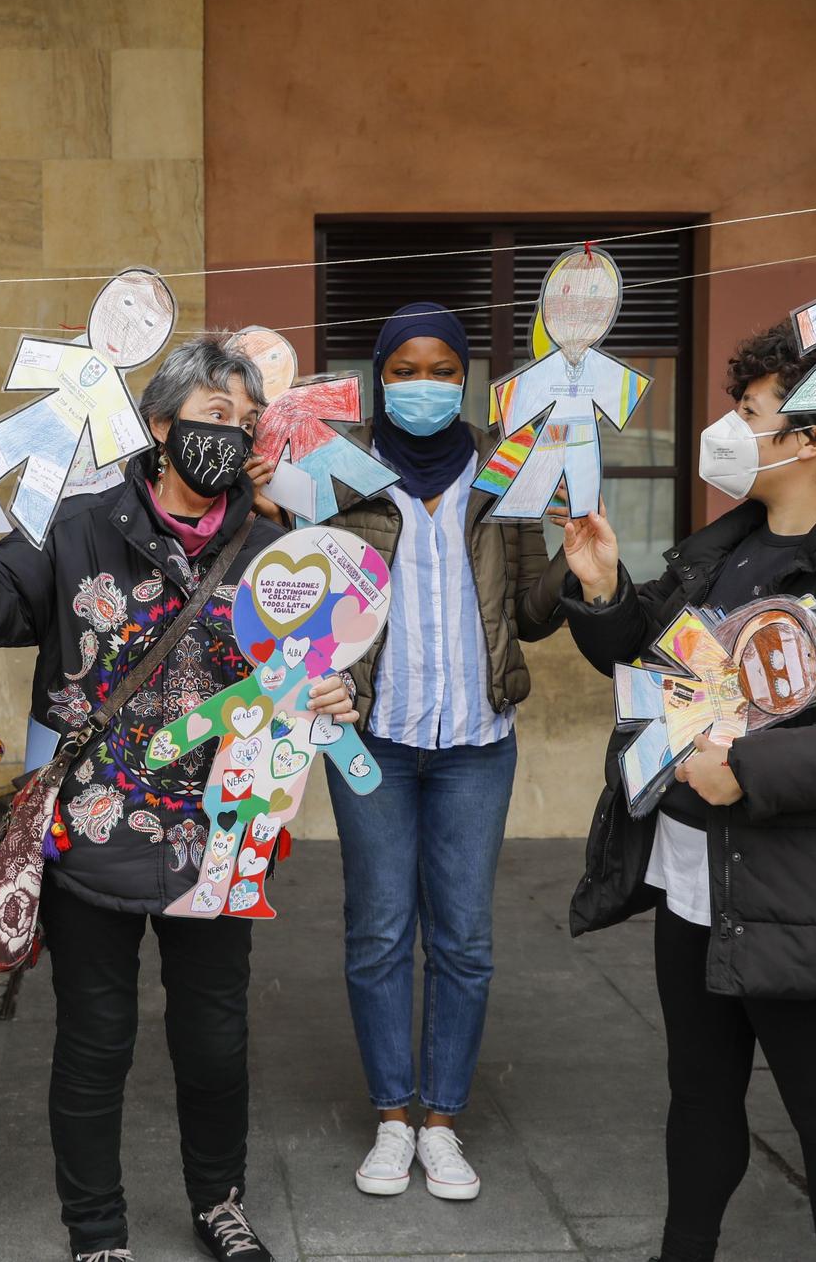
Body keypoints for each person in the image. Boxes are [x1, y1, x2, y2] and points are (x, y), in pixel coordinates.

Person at [0, 336, 356, 1262]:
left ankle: (220, 1200)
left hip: (221, 840)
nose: (229, 437)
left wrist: (332, 690)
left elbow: (319, 668)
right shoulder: (77, 527)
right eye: (212, 416)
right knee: (95, 1039)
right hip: (92, 833)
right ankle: (97, 1230)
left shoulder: (273, 553)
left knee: (214, 1040)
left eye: (245, 423)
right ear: (159, 425)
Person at [559, 321, 816, 1262]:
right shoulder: (721, 548)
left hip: (804, 892)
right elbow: (651, 669)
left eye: (748, 412)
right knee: (699, 1095)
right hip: (690, 876)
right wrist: (606, 591)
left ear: (811, 437)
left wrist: (746, 771)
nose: (727, 430)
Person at [266, 303, 564, 1201]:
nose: (423, 386)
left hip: (477, 742)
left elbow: (532, 614)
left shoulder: (506, 467)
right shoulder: (337, 467)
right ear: (379, 376)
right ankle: (393, 1116)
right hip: (374, 739)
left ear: (464, 378)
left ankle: (443, 1122)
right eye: (404, 371)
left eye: (441, 370)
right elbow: (294, 593)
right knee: (379, 931)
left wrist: (576, 559)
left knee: (465, 939)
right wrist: (268, 508)